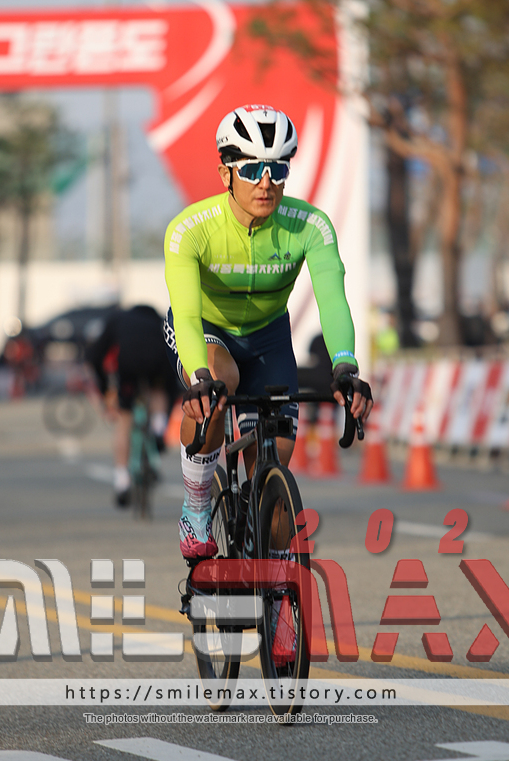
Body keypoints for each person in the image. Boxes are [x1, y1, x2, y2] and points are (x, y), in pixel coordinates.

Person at [163, 104, 372, 573]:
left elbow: (332, 299)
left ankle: (275, 584)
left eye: (278, 169)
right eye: (252, 169)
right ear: (225, 173)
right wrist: (199, 376)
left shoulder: (310, 226)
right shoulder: (190, 230)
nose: (266, 182)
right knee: (220, 383)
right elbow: (187, 313)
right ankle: (196, 504)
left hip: (269, 338)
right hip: (208, 332)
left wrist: (345, 367)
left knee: (275, 477)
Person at [85, 304, 178, 506]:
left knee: (125, 420)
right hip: (158, 360)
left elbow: (94, 355)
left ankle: (122, 481)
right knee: (158, 390)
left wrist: (104, 388)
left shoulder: (118, 319)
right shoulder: (158, 320)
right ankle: (158, 428)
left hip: (128, 363)